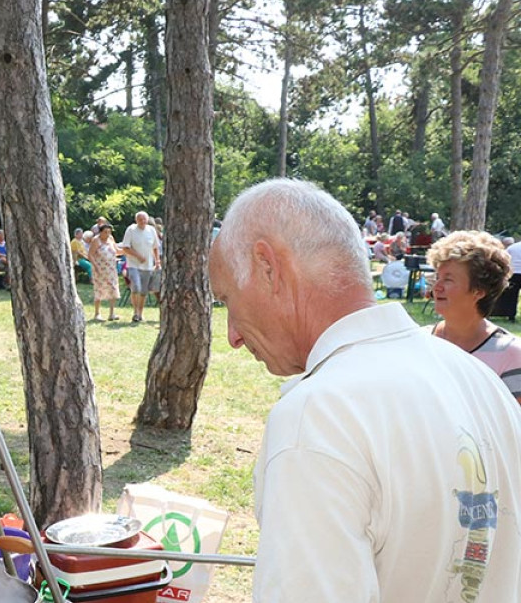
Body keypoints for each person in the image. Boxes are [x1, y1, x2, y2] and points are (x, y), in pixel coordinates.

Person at [210, 178, 521, 603]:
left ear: (268, 267)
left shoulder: (319, 415)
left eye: (227, 299)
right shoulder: (478, 380)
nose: (232, 335)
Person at [425, 231, 521, 402]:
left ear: (479, 291)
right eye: (437, 277)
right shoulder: (421, 341)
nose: (437, 287)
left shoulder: (511, 354)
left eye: (448, 279)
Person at [119, 211, 161, 323]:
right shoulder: (131, 230)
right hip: (133, 264)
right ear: (136, 220)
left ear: (147, 220)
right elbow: (125, 248)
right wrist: (138, 256)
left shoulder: (151, 230)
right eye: (140, 219)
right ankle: (135, 312)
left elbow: (155, 247)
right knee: (136, 287)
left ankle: (140, 314)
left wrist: (157, 261)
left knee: (143, 291)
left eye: (144, 219)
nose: (142, 221)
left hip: (148, 265)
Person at [88, 223, 121, 321]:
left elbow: (117, 250)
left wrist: (128, 251)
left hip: (111, 268)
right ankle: (97, 313)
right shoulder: (96, 240)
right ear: (100, 232)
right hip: (100, 269)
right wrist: (96, 266)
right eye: (105, 232)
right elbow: (90, 255)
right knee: (99, 289)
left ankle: (112, 313)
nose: (107, 234)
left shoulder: (110, 239)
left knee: (112, 288)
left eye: (109, 232)